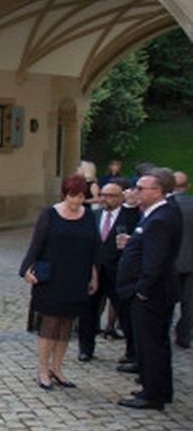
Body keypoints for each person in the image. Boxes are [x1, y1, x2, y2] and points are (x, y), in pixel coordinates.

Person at [19, 175, 98, 390]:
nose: (77, 201)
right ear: (65, 194)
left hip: (77, 277)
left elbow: (93, 249)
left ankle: (57, 367)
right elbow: (36, 244)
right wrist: (26, 269)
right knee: (50, 325)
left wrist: (93, 274)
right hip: (52, 278)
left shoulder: (89, 217)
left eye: (81, 196)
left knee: (66, 325)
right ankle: (43, 369)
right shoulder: (50, 215)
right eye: (73, 196)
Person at [115, 170, 180, 410]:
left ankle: (153, 394)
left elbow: (155, 261)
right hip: (151, 291)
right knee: (152, 343)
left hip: (152, 294)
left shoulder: (161, 218)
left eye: (141, 188)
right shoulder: (156, 214)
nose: (135, 192)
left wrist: (141, 290)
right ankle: (154, 387)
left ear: (158, 191)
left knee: (151, 343)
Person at [76, 182, 137, 361]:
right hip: (95, 272)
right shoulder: (93, 215)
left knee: (125, 313)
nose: (105, 199)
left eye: (111, 195)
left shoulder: (130, 217)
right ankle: (86, 348)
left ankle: (132, 352)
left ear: (120, 198)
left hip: (118, 272)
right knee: (88, 311)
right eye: (103, 195)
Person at [172, 170, 192, 350]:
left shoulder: (168, 207)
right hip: (190, 262)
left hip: (171, 262)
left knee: (167, 301)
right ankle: (184, 335)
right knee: (189, 302)